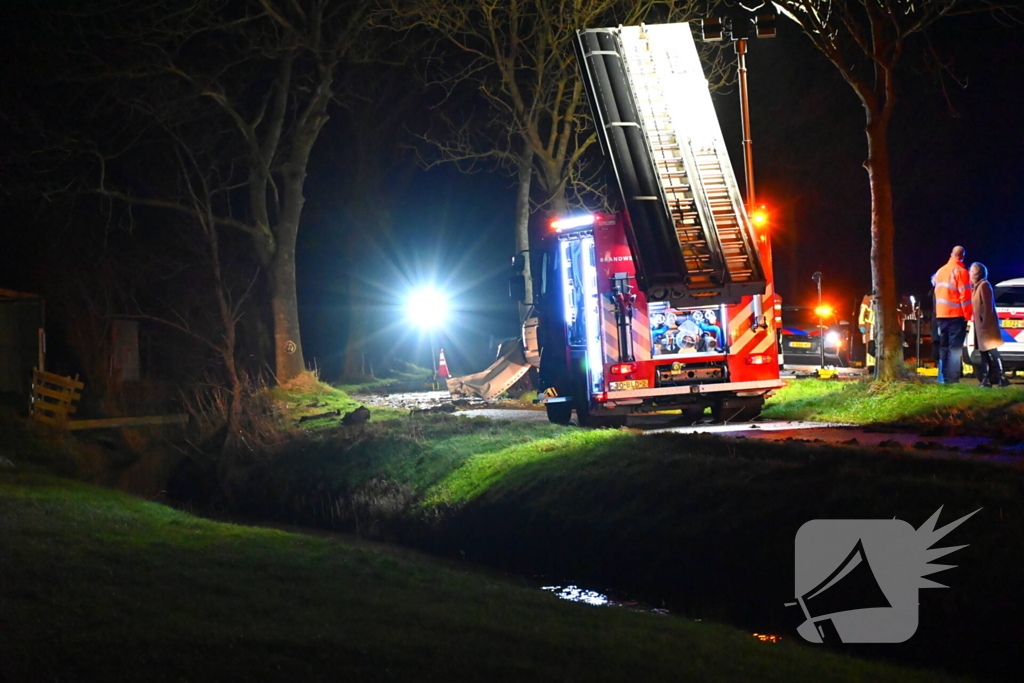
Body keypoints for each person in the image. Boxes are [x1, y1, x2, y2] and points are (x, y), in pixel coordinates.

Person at [932, 246, 973, 384]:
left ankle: (944, 377)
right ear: (962, 256)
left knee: (943, 347)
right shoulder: (961, 271)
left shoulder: (940, 271)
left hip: (941, 315)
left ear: (951, 254)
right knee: (955, 348)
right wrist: (968, 315)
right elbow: (965, 296)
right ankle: (953, 379)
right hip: (956, 315)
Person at [969, 262, 1009, 387]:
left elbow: (987, 307)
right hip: (979, 325)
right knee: (983, 353)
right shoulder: (976, 287)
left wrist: (984, 323)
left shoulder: (984, 285)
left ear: (977, 273)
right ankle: (986, 379)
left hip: (986, 326)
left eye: (971, 271)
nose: (969, 274)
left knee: (992, 350)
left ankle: (1002, 376)